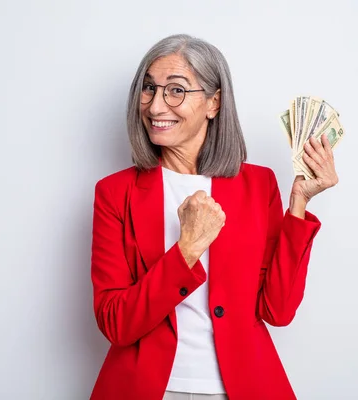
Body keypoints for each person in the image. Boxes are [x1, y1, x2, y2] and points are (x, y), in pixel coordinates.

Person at [89, 34, 338, 400]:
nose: (156, 106)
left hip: (243, 386)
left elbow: (278, 310)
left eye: (176, 90)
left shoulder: (258, 184)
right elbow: (115, 323)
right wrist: (186, 249)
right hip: (146, 388)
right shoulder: (115, 193)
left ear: (213, 103)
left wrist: (298, 205)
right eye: (148, 89)